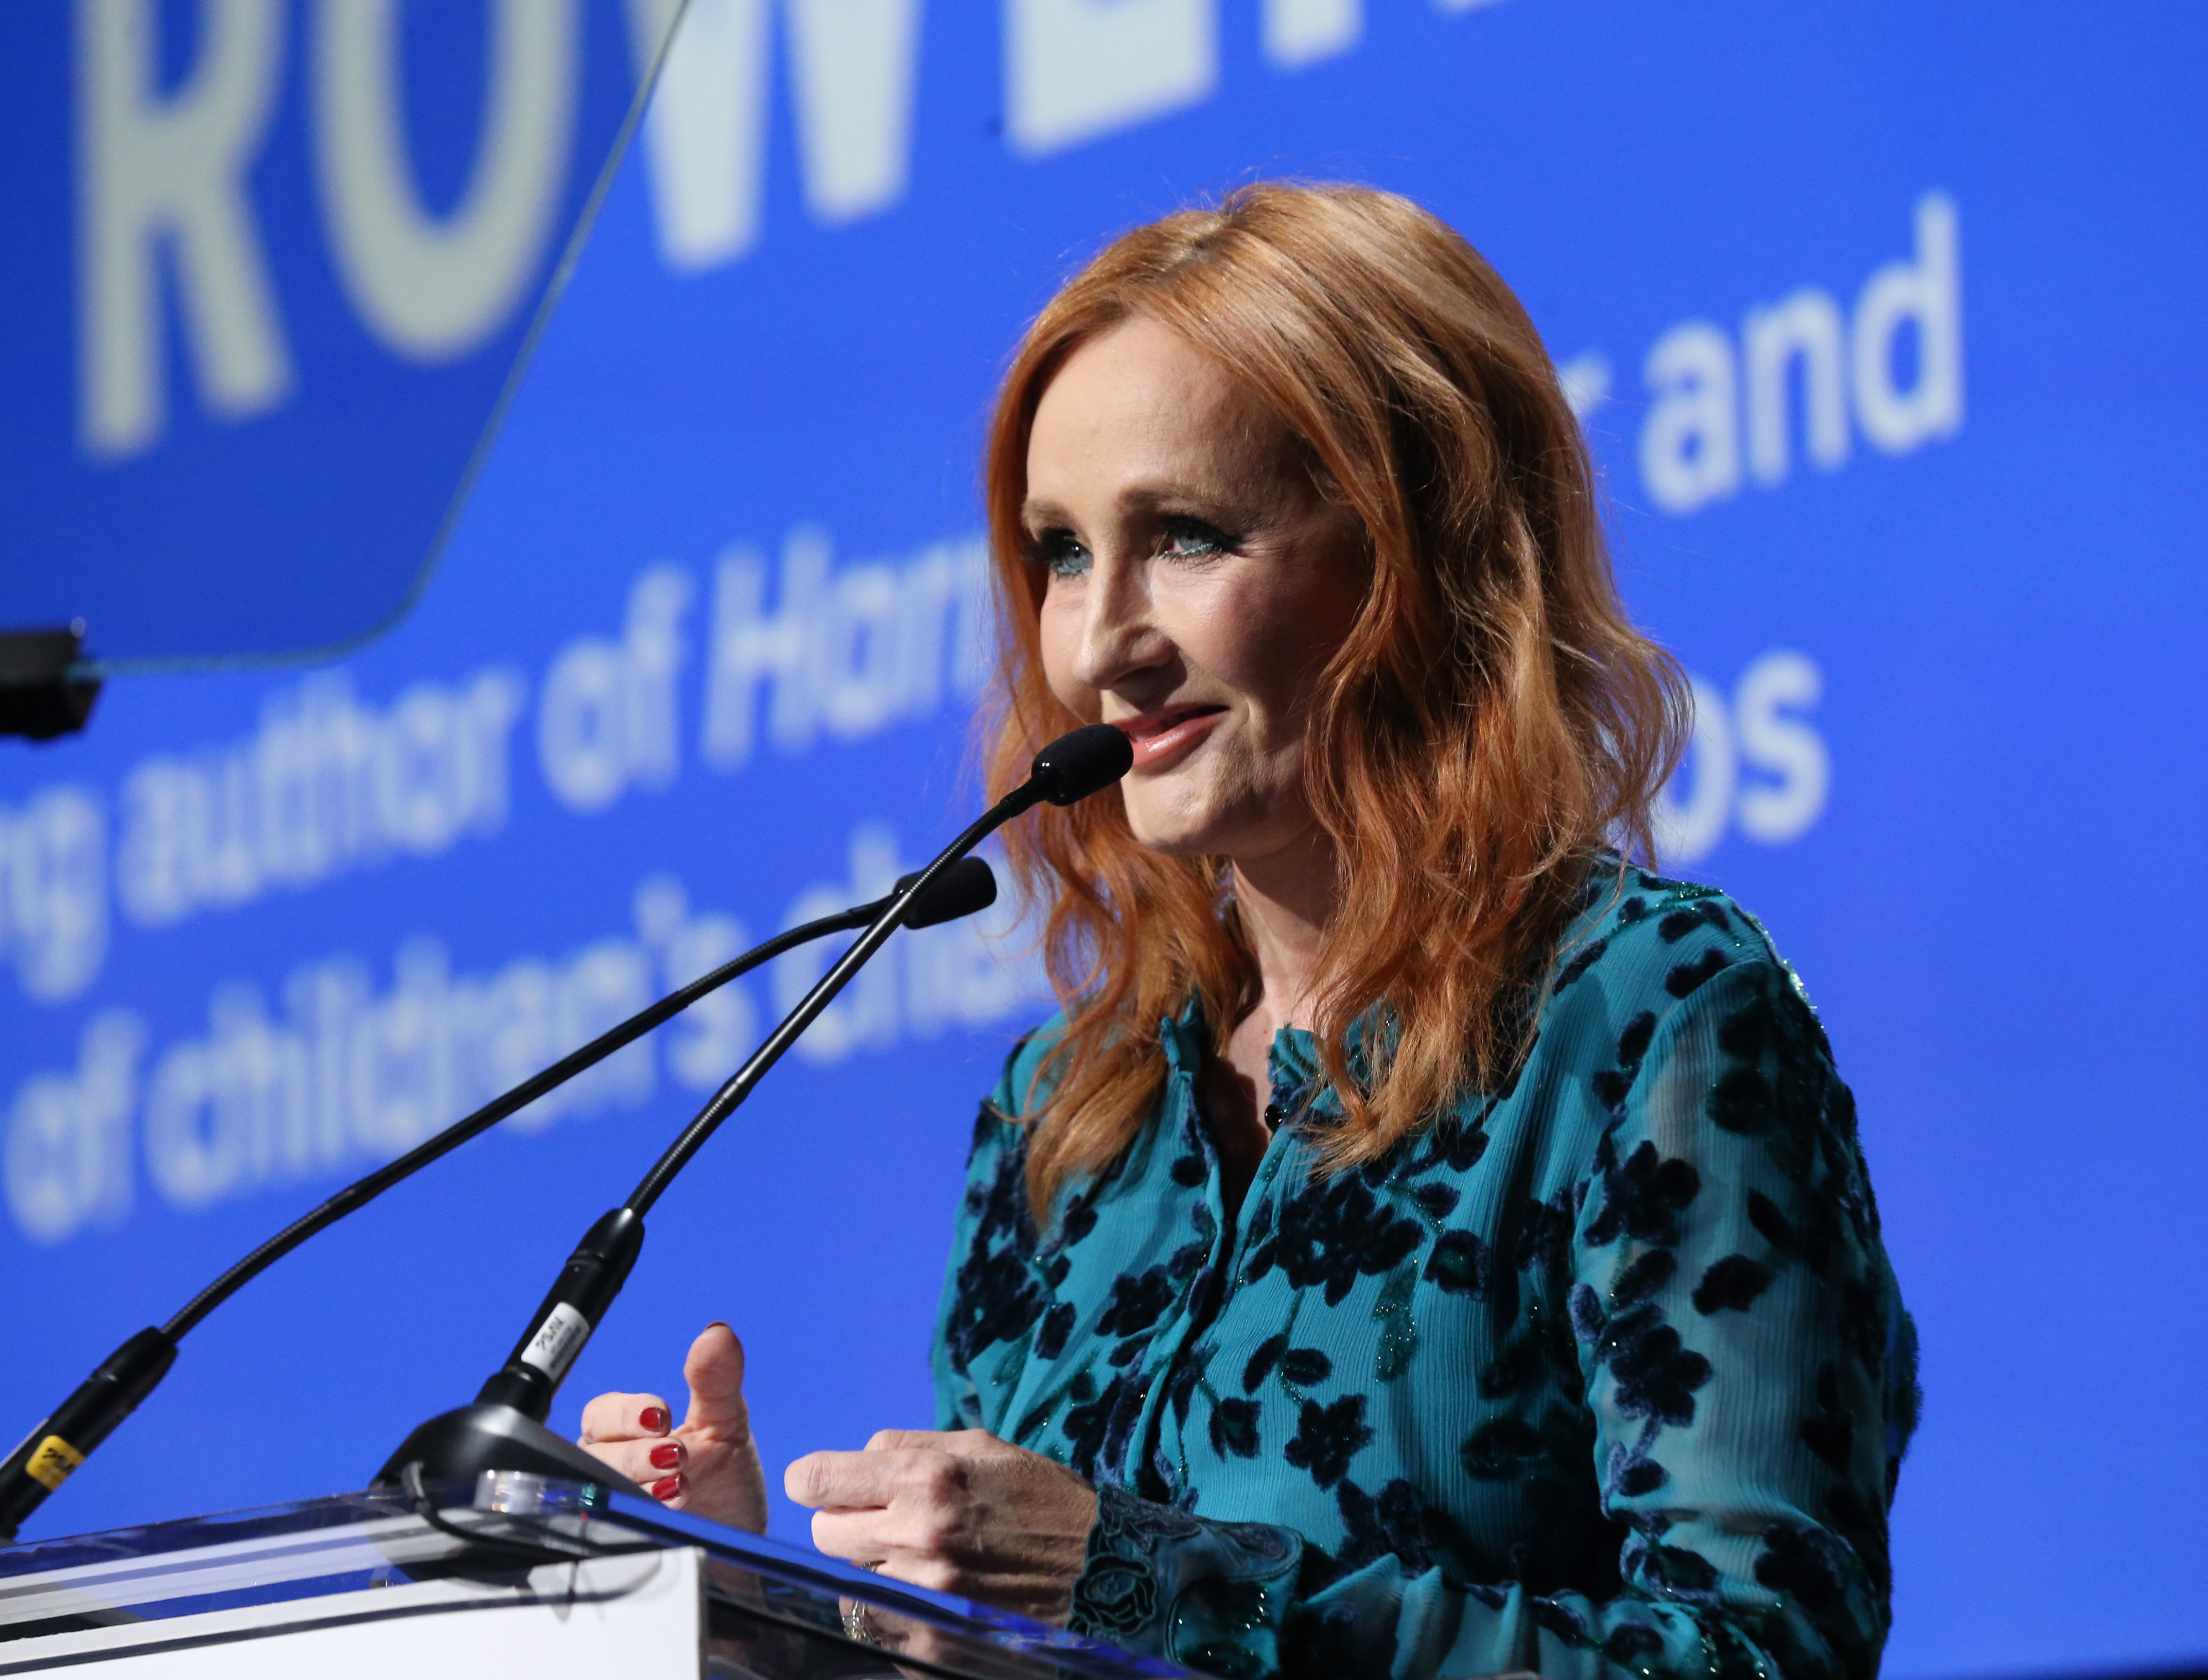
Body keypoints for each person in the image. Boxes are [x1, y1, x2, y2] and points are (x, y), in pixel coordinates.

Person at [581, 181, 1919, 1680]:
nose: (1099, 646)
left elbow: (1764, 1652)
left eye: (1190, 536)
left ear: (1423, 552)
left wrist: (1152, 1579)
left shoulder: (1647, 1019)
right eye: (1064, 553)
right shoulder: (1068, 1125)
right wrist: (752, 1621)